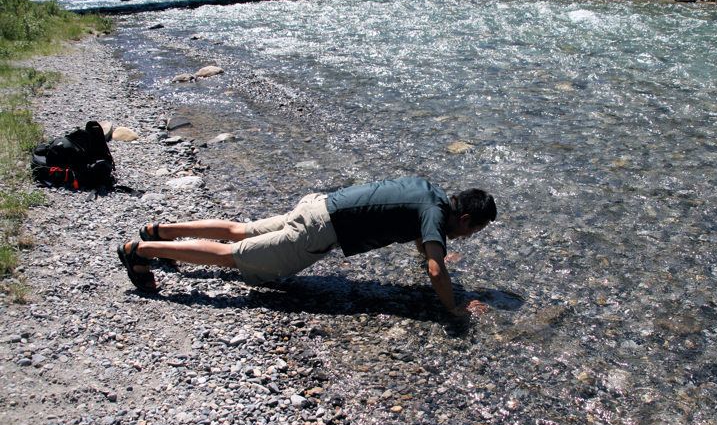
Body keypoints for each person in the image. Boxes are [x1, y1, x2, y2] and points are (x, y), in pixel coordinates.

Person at [118, 177, 497, 317]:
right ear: (465, 220)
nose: (467, 237)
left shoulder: (430, 192)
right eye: (473, 232)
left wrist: (432, 252)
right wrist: (456, 306)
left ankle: (158, 230)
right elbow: (435, 270)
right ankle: (140, 252)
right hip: (317, 230)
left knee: (239, 230)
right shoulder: (435, 216)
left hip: (317, 204)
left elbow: (420, 237)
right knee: (231, 257)